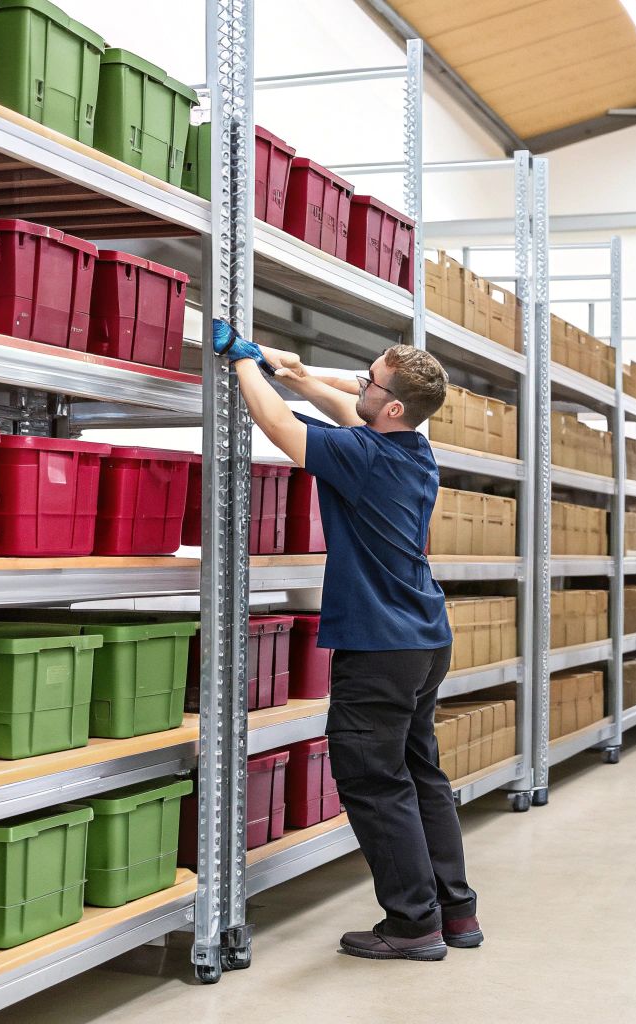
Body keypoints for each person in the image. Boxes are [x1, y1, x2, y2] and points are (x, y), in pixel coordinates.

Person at [224, 334, 480, 962]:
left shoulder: (361, 456)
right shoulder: (414, 449)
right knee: (420, 774)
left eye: (370, 380)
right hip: (423, 640)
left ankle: (412, 924)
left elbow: (279, 425)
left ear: (392, 406)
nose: (359, 384)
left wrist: (238, 363)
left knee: (373, 779)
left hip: (378, 645)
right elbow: (346, 409)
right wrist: (296, 371)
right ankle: (454, 912)